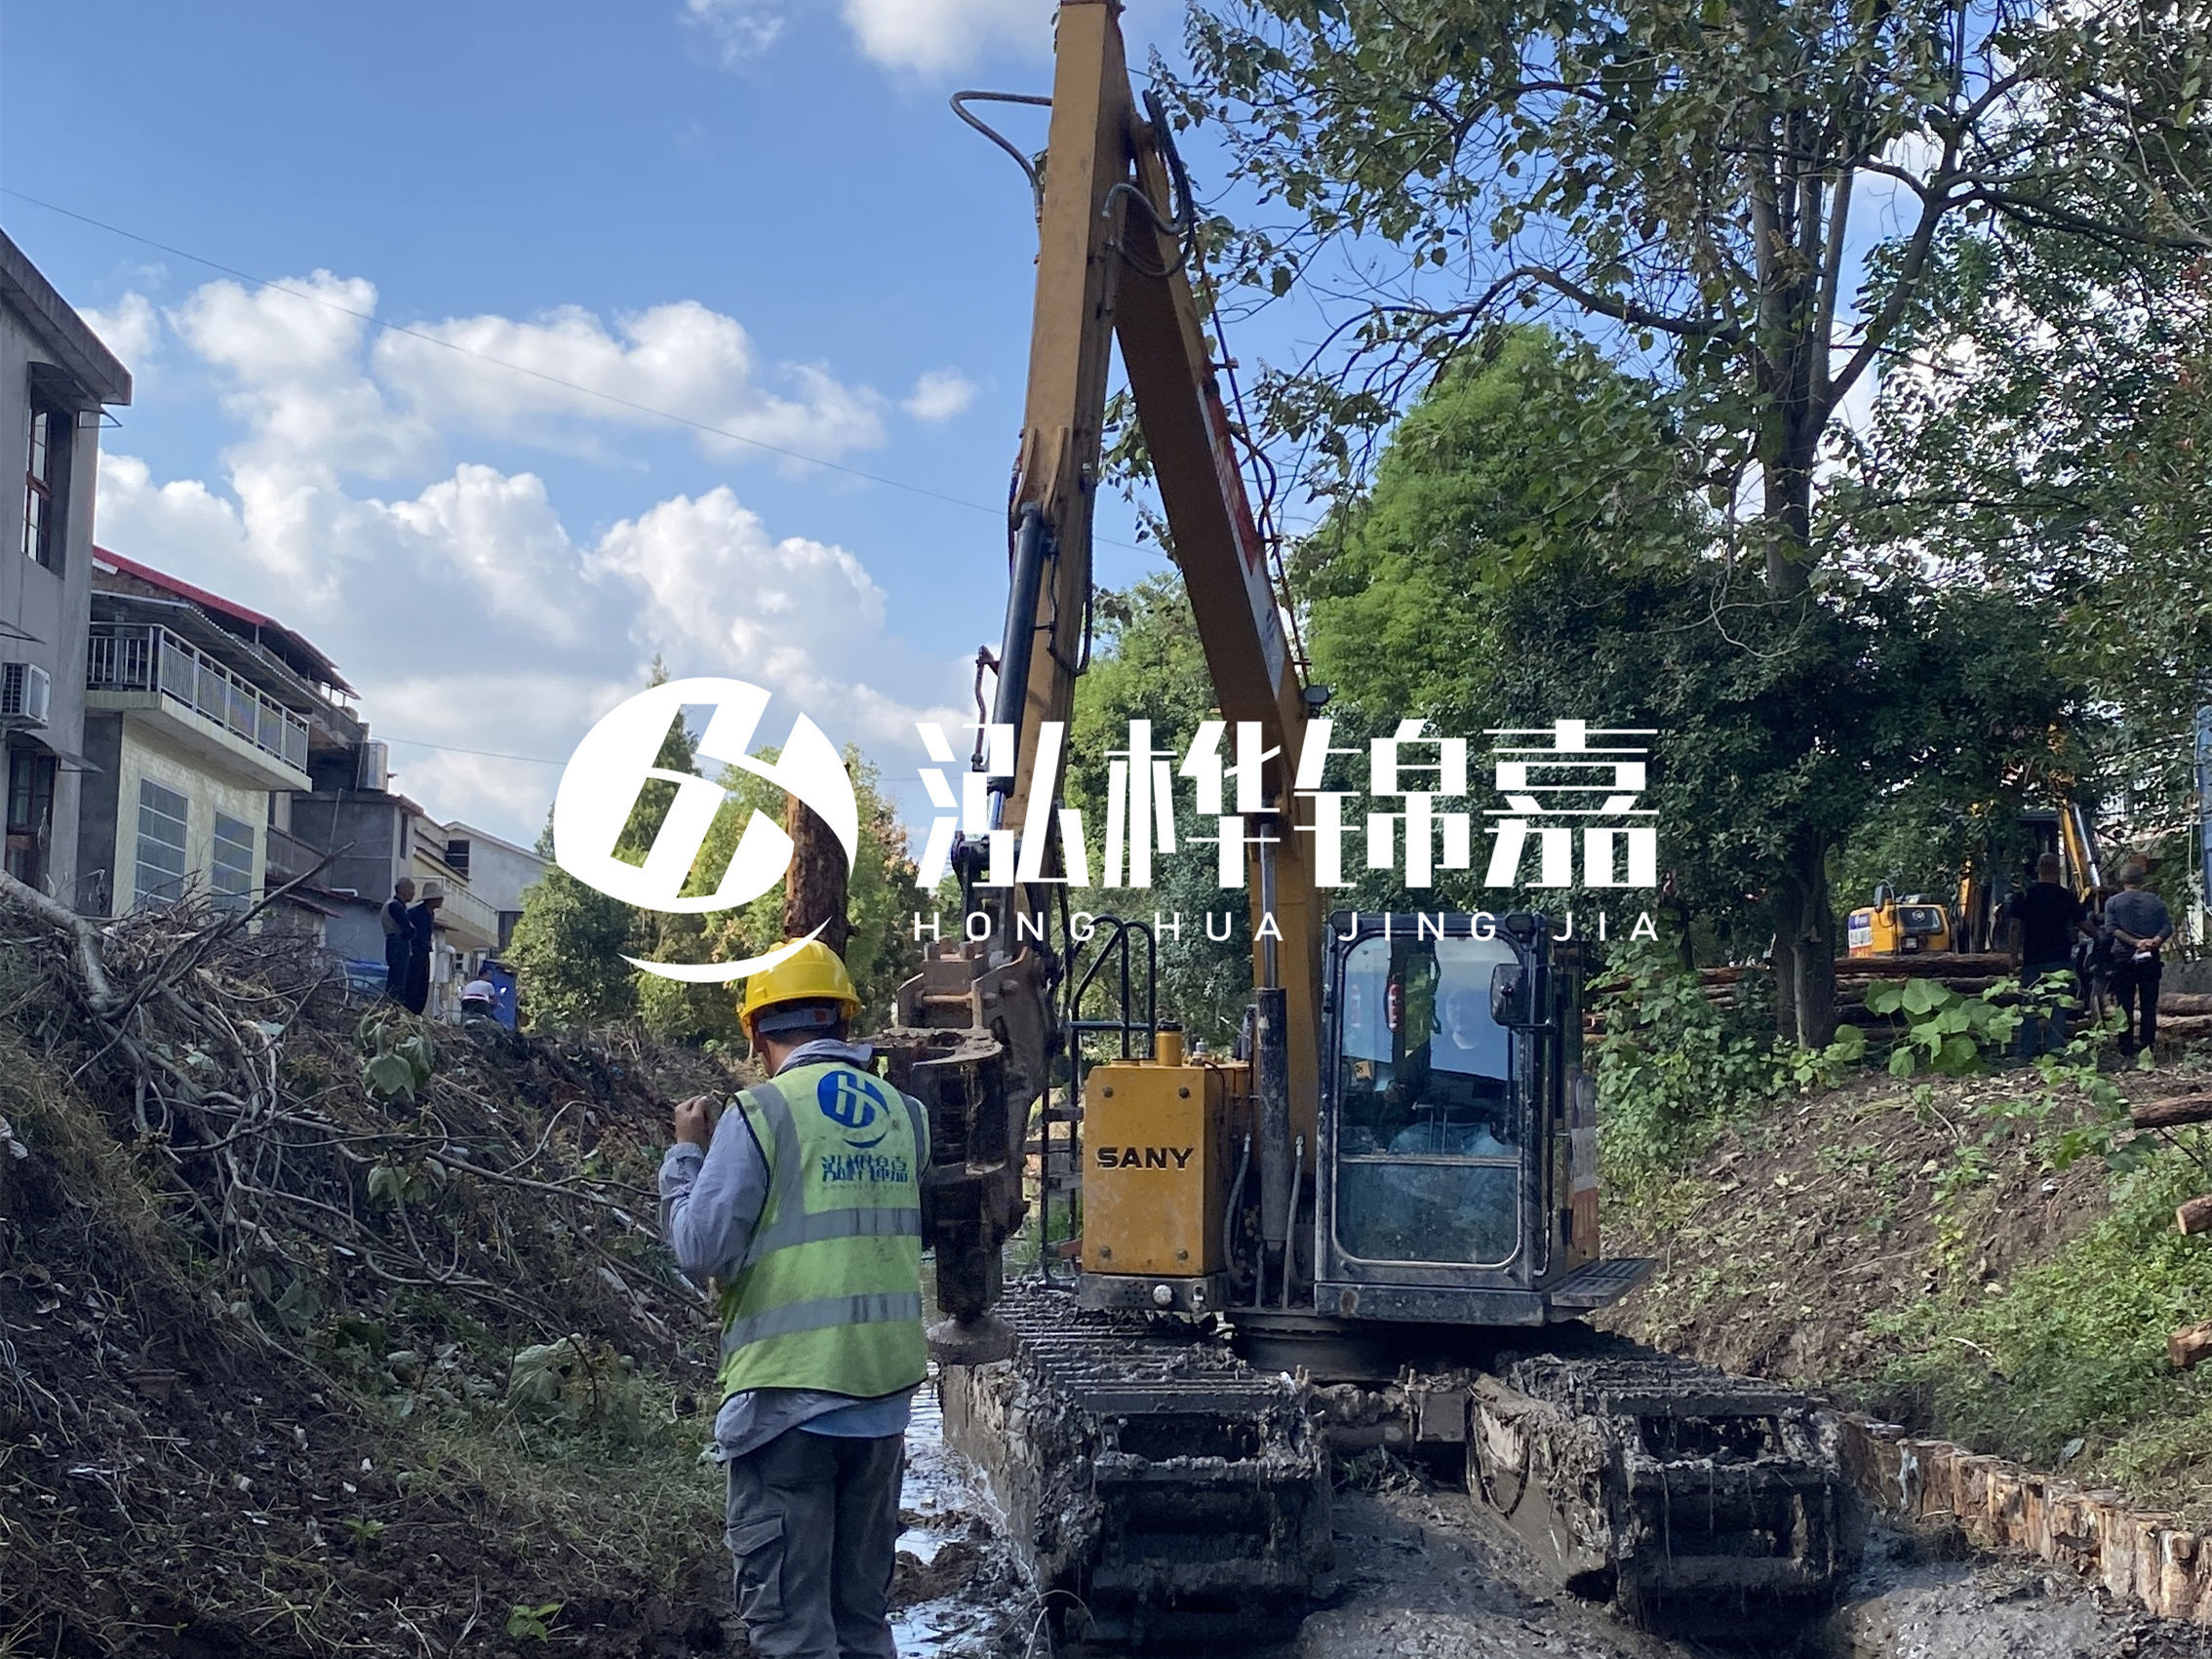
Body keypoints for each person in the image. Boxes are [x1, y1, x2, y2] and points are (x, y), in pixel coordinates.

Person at [659, 941, 929, 1659]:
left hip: (787, 1406)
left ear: (756, 1033)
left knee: (793, 1633)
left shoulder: (760, 1113)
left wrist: (685, 1156)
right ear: (844, 1020)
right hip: (880, 1408)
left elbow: (701, 1248)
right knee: (861, 1623)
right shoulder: (906, 1116)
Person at [2004, 852, 2095, 1059]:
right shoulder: (2066, 897)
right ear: (2057, 870)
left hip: (2033, 959)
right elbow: (2084, 925)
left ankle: (2025, 1053)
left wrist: (2013, 958)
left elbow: (2015, 928)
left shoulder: (2026, 895)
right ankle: (2055, 1052)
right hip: (2060, 959)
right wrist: (2102, 935)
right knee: (2059, 1007)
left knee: (2031, 1006)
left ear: (2038, 869)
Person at [2106, 862, 2175, 1059]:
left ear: (2122, 880)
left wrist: (2135, 942)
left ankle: (2125, 1046)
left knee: (2124, 1004)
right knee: (2148, 1003)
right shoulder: (2155, 901)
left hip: (2123, 958)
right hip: (2151, 957)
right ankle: (2148, 1044)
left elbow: (2112, 929)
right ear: (2141, 880)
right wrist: (2155, 941)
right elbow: (2167, 927)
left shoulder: (2113, 902)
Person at [402, 882, 443, 1016]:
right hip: (415, 953)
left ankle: (417, 1012)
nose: (442, 900)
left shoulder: (430, 914)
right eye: (439, 897)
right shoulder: (415, 913)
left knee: (423, 985)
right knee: (413, 983)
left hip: (425, 952)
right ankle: (409, 1010)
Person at [380, 878, 415, 1002]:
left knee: (395, 977)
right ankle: (393, 1003)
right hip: (398, 943)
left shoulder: (390, 904)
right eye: (411, 889)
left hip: (392, 942)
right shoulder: (395, 906)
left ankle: (391, 1002)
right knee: (398, 978)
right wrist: (411, 932)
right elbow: (408, 929)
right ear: (402, 889)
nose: (413, 893)